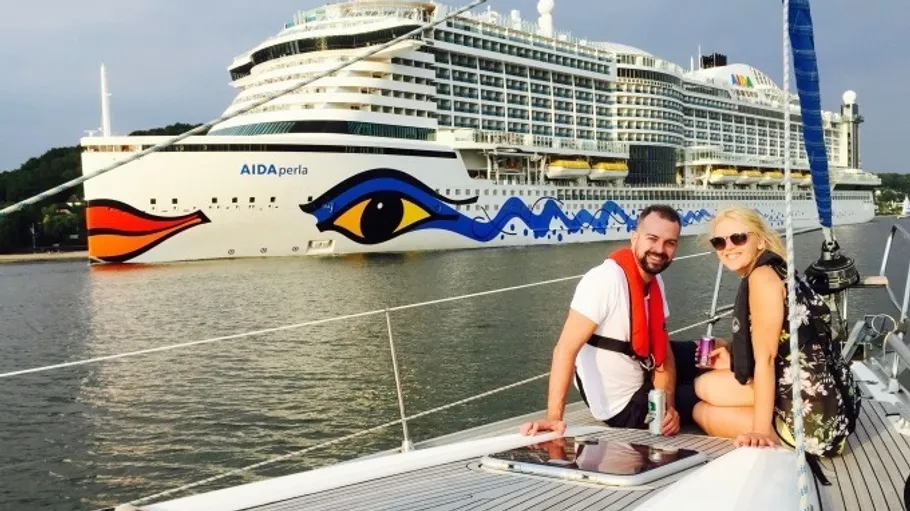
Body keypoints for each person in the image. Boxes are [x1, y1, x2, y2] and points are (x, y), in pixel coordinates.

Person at [520, 204, 701, 437]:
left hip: (644, 376)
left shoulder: (654, 281)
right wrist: (554, 418)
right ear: (634, 239)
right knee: (714, 392)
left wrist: (669, 405)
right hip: (626, 407)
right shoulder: (605, 280)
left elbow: (662, 352)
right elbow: (565, 349)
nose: (659, 249)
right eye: (652, 239)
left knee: (718, 351)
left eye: (670, 243)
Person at [693, 206, 860, 456]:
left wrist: (759, 432)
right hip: (828, 402)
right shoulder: (779, 269)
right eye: (719, 242)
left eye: (738, 238)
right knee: (706, 387)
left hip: (812, 423)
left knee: (702, 400)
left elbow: (767, 358)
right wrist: (732, 360)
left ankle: (778, 436)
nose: (728, 247)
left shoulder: (761, 278)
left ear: (760, 240)